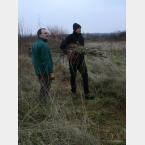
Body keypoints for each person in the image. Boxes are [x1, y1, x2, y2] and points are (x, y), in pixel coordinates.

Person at [60, 23, 94, 100]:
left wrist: (83, 51)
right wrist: (68, 52)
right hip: (73, 61)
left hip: (81, 61)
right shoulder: (69, 37)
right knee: (73, 76)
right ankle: (73, 93)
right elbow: (62, 46)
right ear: (74, 29)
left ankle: (87, 94)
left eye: (80, 28)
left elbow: (82, 48)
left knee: (85, 76)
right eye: (78, 28)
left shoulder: (81, 37)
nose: (79, 29)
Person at [32, 28, 55, 103]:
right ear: (40, 35)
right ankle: (43, 102)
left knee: (43, 86)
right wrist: (51, 72)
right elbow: (46, 61)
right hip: (45, 71)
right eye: (45, 33)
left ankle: (42, 101)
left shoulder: (34, 44)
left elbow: (34, 59)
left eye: (47, 33)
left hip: (38, 70)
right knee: (46, 87)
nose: (47, 34)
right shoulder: (44, 45)